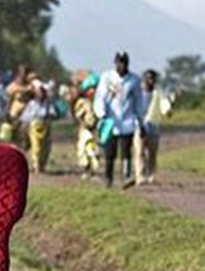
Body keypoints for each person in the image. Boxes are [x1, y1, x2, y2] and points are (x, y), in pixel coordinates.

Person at [94, 51, 143, 188]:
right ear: (115, 63)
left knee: (126, 151)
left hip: (127, 121)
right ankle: (108, 178)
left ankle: (127, 176)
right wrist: (101, 113)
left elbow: (138, 101)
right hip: (110, 121)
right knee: (110, 152)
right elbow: (100, 97)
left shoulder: (134, 80)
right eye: (119, 62)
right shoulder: (107, 78)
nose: (122, 65)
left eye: (124, 62)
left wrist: (140, 120)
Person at [135, 69, 171, 185]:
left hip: (154, 127)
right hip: (139, 126)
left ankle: (151, 175)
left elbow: (164, 105)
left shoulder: (158, 93)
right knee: (139, 152)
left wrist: (168, 112)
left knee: (152, 154)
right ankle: (140, 175)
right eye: (149, 78)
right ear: (144, 79)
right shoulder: (138, 93)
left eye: (153, 79)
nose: (151, 81)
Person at [21, 82, 58, 173]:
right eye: (38, 92)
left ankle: (42, 166)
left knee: (45, 147)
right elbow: (25, 117)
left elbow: (54, 113)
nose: (40, 94)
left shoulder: (48, 103)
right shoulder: (32, 103)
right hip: (34, 125)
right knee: (36, 146)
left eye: (42, 92)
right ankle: (36, 166)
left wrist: (50, 116)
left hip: (45, 125)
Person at [72, 72, 101, 178]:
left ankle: (92, 170)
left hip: (94, 131)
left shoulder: (97, 102)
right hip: (85, 130)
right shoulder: (82, 102)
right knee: (83, 150)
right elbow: (78, 115)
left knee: (93, 150)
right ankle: (86, 169)